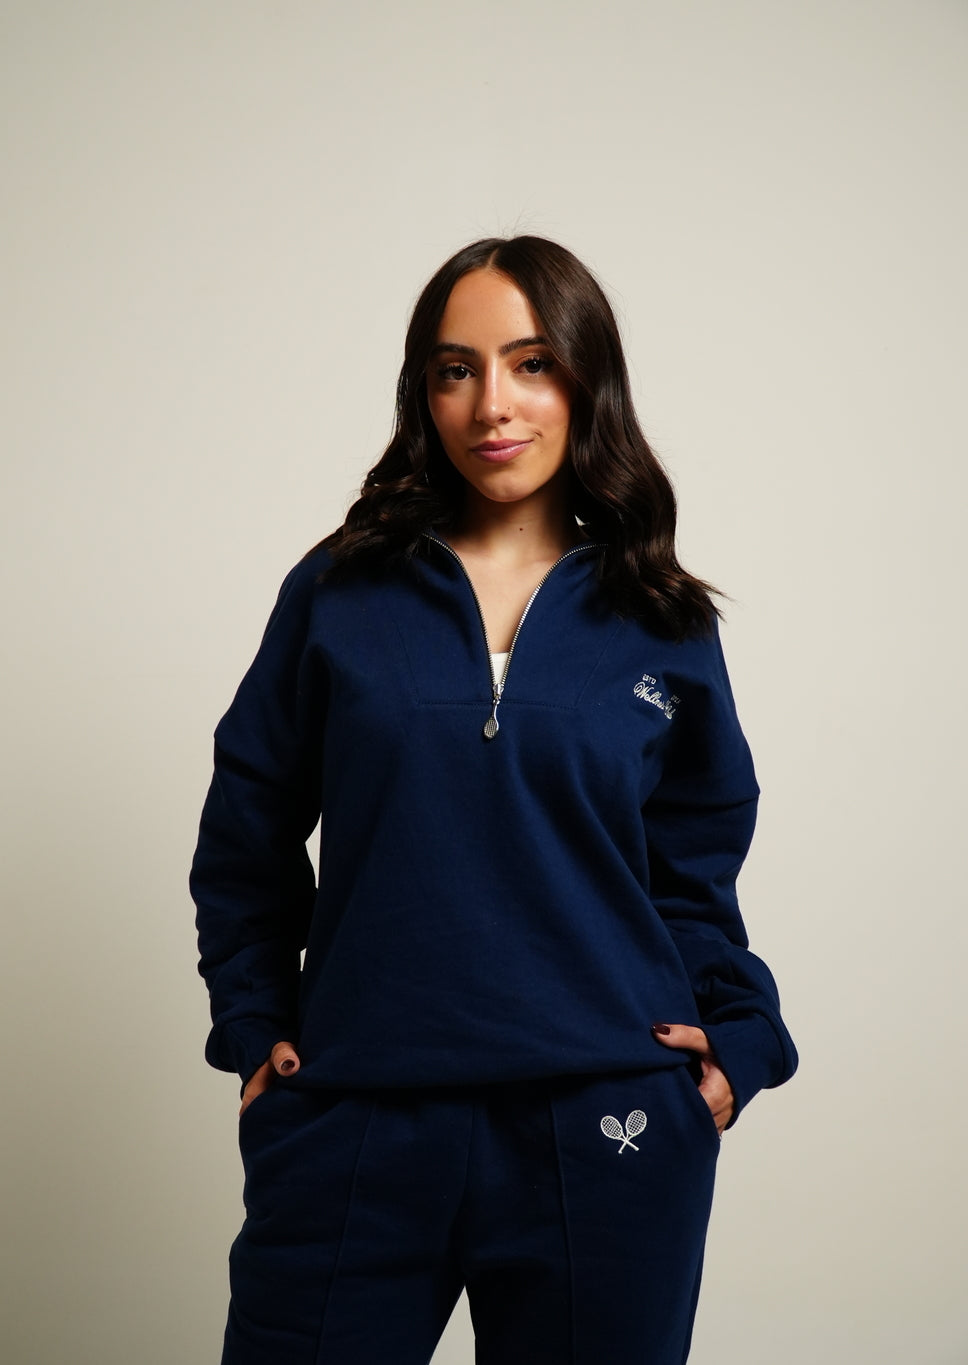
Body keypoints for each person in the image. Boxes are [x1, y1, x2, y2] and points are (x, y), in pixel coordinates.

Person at [189, 235, 798, 1365]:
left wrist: (736, 1040)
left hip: (607, 1122)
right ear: (423, 393)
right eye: (455, 370)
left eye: (531, 364)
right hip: (357, 1111)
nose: (491, 405)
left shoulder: (661, 619)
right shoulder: (339, 591)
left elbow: (694, 869)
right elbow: (247, 828)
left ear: (586, 381)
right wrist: (255, 1022)